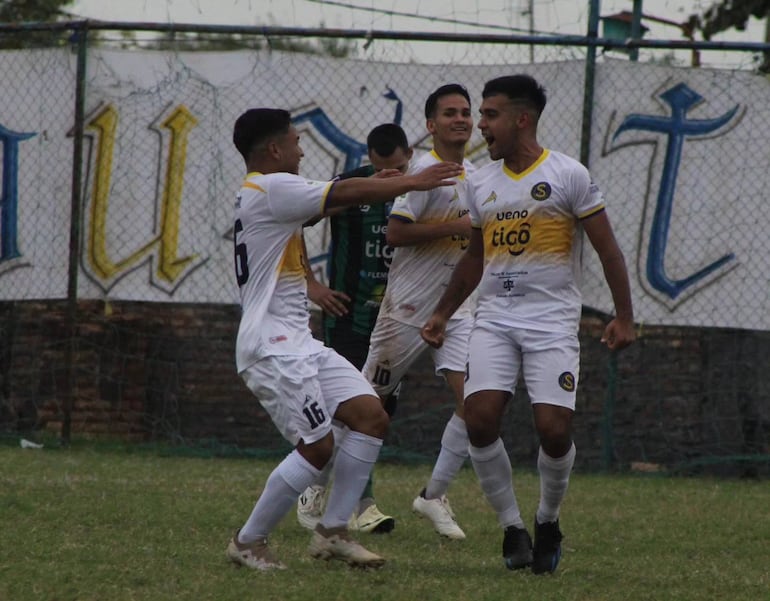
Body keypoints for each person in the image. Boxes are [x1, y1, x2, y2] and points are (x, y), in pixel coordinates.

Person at [226, 107, 462, 571]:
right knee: (317, 448)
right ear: (274, 149)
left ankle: (333, 533)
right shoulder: (272, 187)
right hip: (272, 348)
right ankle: (248, 542)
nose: (301, 148)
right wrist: (412, 181)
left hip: (300, 343)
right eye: (295, 140)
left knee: (370, 415)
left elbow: (336, 200)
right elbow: (344, 190)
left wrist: (381, 180)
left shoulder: (268, 191)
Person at [421, 74, 635, 574]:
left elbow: (608, 249)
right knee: (479, 418)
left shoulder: (568, 175)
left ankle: (548, 518)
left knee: (553, 430)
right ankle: (513, 528)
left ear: (522, 119)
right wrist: (442, 313)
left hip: (553, 322)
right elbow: (475, 256)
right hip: (494, 319)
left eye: (489, 115)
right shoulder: (479, 182)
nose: (480, 125)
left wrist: (625, 317)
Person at [360, 84, 476, 540]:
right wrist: (456, 226)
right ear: (431, 125)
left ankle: (433, 495)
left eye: (466, 112)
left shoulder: (477, 175)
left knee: (476, 403)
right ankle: (313, 484)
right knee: (368, 406)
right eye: (450, 113)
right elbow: (395, 233)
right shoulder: (425, 171)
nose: (460, 119)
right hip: (405, 310)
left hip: (458, 311)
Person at [297, 123, 413, 535]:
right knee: (353, 407)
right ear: (369, 160)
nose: (391, 177)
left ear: (410, 156)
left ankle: (321, 485)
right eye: (383, 169)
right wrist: (312, 284)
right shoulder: (348, 186)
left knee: (380, 411)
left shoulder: (420, 189)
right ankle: (359, 504)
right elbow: (292, 221)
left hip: (397, 318)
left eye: (399, 168)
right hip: (347, 314)